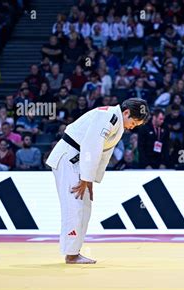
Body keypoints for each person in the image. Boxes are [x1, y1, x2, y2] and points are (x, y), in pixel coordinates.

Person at [46, 98, 150, 264]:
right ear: (126, 113)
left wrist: (91, 179)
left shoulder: (117, 124)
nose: (134, 126)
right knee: (75, 206)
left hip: (79, 162)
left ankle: (74, 251)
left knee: (85, 207)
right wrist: (86, 178)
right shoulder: (108, 116)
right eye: (134, 121)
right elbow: (91, 147)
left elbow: (103, 155)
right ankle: (71, 254)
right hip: (69, 159)